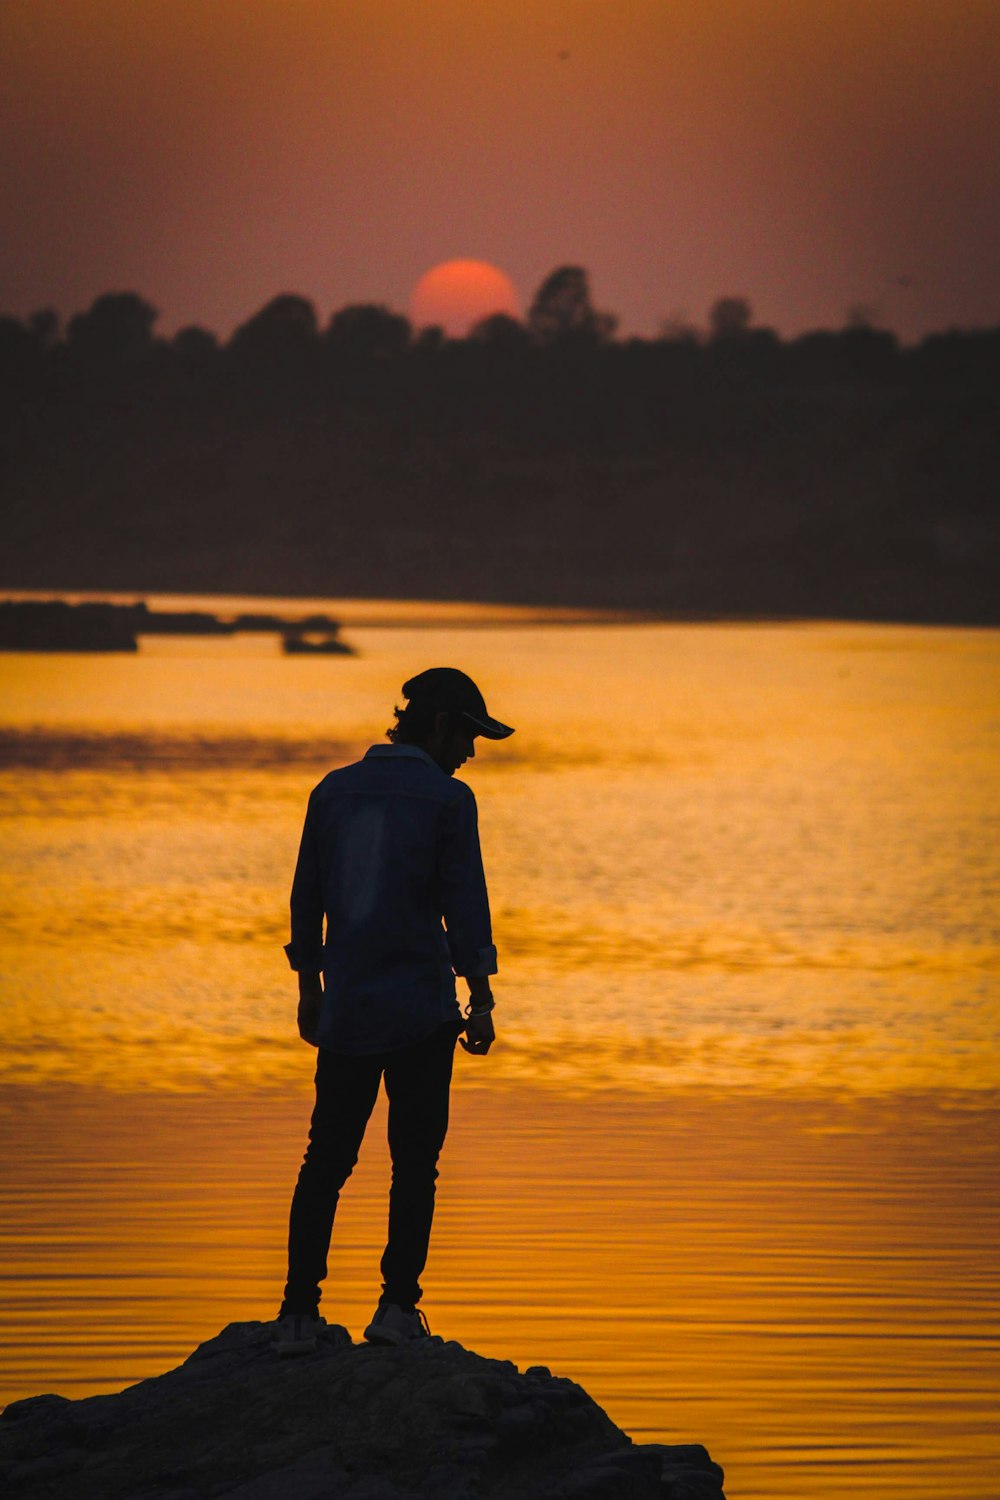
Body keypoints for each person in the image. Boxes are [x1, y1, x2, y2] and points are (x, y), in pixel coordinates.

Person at [272, 667, 514, 1354]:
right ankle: (396, 1309)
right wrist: (483, 995)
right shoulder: (448, 799)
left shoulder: (334, 790)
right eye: (467, 734)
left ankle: (296, 1315)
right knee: (415, 1163)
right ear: (439, 725)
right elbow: (464, 905)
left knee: (326, 1159)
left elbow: (306, 897)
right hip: (420, 1010)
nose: (470, 751)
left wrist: (309, 988)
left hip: (347, 1008)